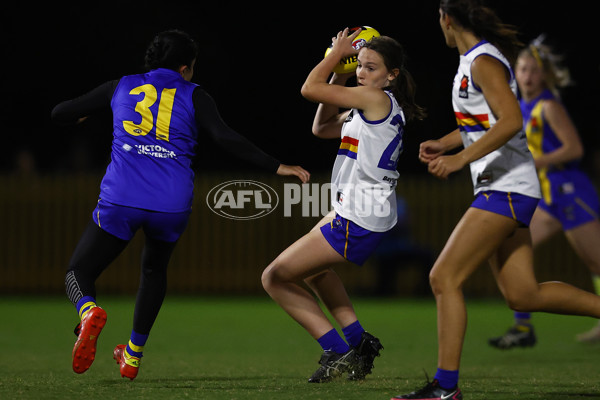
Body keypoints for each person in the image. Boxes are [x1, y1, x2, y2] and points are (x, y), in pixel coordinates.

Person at [51, 29, 309, 381]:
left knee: (78, 272)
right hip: (170, 204)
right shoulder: (194, 94)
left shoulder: (121, 86)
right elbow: (224, 136)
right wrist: (277, 165)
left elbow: (60, 112)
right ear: (185, 67)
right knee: (154, 271)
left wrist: (80, 114)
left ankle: (88, 312)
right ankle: (132, 355)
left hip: (122, 198)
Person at [392, 2, 600, 399]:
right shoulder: (474, 60)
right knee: (523, 295)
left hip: (508, 186)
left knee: (443, 277)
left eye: (439, 18)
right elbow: (484, 121)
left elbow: (510, 120)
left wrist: (459, 159)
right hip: (503, 184)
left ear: (447, 20)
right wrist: (447, 141)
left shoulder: (483, 61)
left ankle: (445, 388)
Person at [262, 28, 425, 383]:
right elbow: (321, 127)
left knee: (273, 277)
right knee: (314, 271)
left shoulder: (375, 100)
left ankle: (337, 352)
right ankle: (358, 343)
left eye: (371, 67)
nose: (362, 73)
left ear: (391, 76)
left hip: (360, 214)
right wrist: (339, 73)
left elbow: (308, 89)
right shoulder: (369, 106)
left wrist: (336, 54)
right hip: (356, 209)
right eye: (360, 66)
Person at [488, 36, 600, 349]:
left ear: (545, 75)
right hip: (548, 199)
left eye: (534, 70)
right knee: (504, 246)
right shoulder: (519, 107)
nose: (527, 75)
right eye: (523, 68)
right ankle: (523, 327)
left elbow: (574, 148)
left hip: (571, 192)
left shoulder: (548, 105)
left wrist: (533, 161)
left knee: (596, 263)